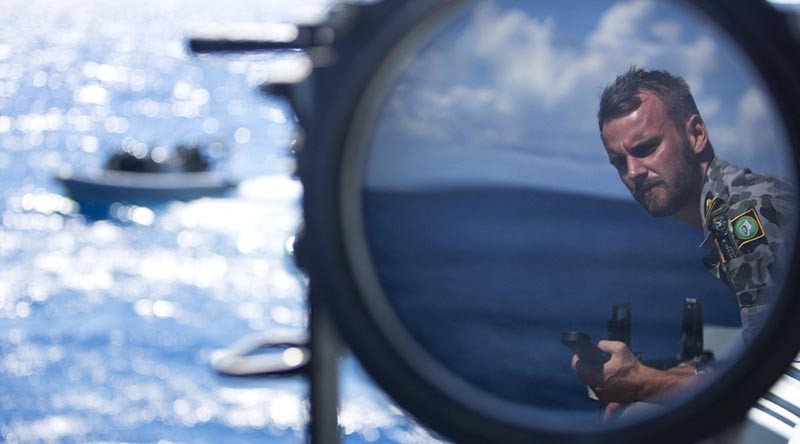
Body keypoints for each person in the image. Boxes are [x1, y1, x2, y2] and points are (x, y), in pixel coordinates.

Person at [571, 67, 795, 419]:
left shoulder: (745, 222)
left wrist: (642, 383)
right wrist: (649, 377)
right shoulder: (735, 202)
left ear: (696, 134)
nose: (633, 172)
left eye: (646, 148)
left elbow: (767, 380)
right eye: (619, 162)